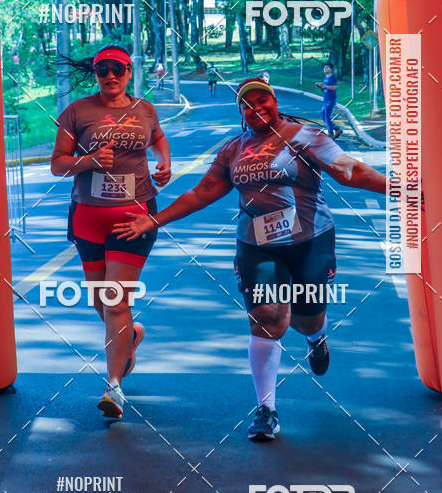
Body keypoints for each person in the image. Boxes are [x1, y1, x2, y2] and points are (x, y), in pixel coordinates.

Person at [113, 77, 386, 442]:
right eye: (247, 104)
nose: (256, 108)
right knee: (269, 318)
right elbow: (203, 191)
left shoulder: (304, 136)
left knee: (306, 319)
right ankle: (266, 410)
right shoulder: (233, 149)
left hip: (310, 241)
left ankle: (316, 338)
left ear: (274, 102)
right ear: (241, 112)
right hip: (257, 245)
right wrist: (153, 218)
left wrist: (400, 188)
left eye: (262, 101)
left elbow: (349, 170)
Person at [51, 44, 171, 420]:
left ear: (129, 72)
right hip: (88, 215)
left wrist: (165, 163)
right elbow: (57, 165)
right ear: (96, 74)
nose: (110, 76)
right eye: (103, 70)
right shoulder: (77, 111)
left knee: (116, 301)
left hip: (134, 217)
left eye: (117, 69)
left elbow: (159, 138)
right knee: (101, 304)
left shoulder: (145, 110)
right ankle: (130, 337)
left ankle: (114, 386)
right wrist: (86, 161)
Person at [315, 62, 342, 138]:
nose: (325, 69)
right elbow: (325, 90)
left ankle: (330, 133)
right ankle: (337, 129)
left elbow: (333, 87)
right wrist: (320, 86)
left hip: (331, 99)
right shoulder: (325, 78)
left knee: (327, 116)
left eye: (327, 67)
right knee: (323, 116)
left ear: (331, 69)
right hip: (326, 99)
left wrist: (323, 85)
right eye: (324, 67)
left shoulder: (332, 77)